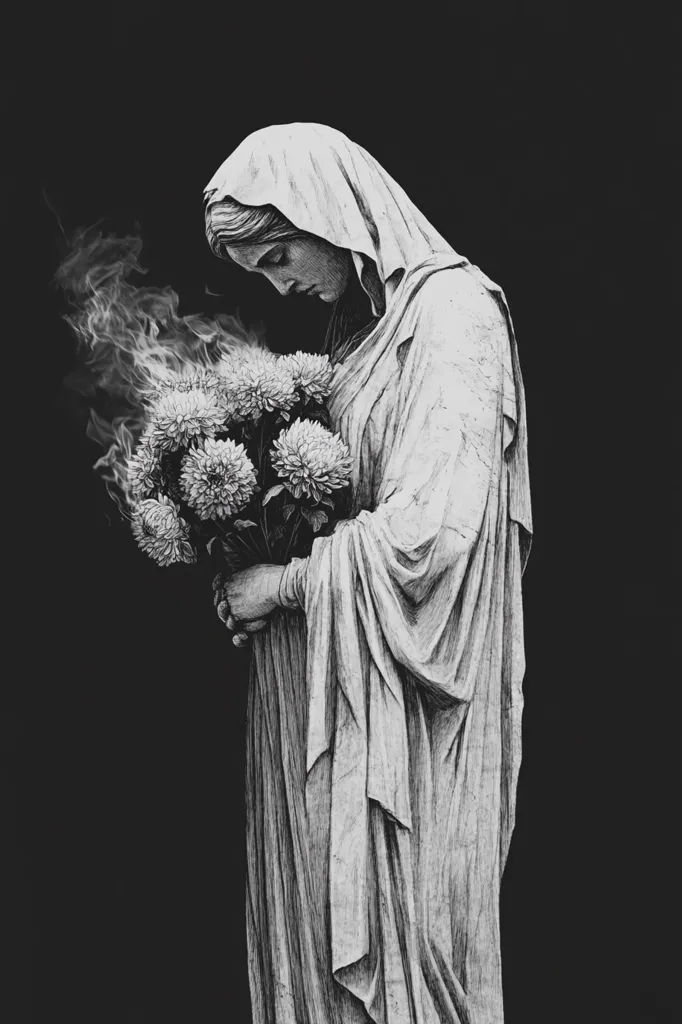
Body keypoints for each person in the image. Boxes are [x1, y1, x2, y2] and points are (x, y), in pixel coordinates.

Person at [205, 123, 532, 1024]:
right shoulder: (360, 340)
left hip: (409, 724)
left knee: (404, 973)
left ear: (331, 208)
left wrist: (284, 585)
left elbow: (434, 535)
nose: (280, 286)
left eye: (279, 254)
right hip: (329, 705)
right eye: (259, 272)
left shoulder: (455, 316)